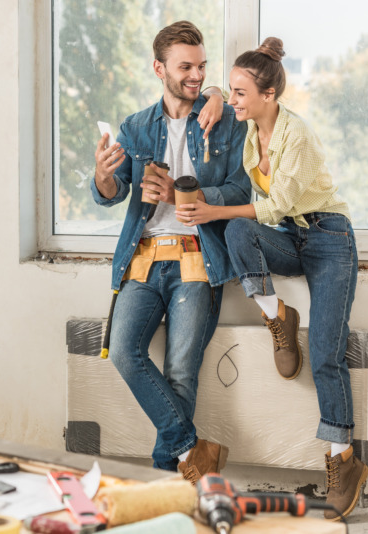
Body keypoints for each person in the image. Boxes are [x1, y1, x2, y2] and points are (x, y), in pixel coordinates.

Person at [176, 37, 366, 520]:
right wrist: (218, 92)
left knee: (326, 353)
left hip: (328, 240)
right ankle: (276, 314)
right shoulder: (247, 126)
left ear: (268, 96)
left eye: (242, 94)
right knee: (239, 231)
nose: (233, 101)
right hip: (290, 237)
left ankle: (342, 459)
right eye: (233, 93)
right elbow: (217, 92)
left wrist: (210, 210)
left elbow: (275, 205)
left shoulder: (294, 136)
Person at [92, 20, 251, 484]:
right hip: (143, 258)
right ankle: (191, 449)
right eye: (186, 67)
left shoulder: (222, 118)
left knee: (181, 370)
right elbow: (111, 192)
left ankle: (166, 480)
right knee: (123, 351)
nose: (196, 76)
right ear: (159, 67)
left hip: (197, 258)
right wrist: (103, 175)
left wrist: (183, 194)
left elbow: (240, 187)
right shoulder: (136, 127)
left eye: (202, 66)